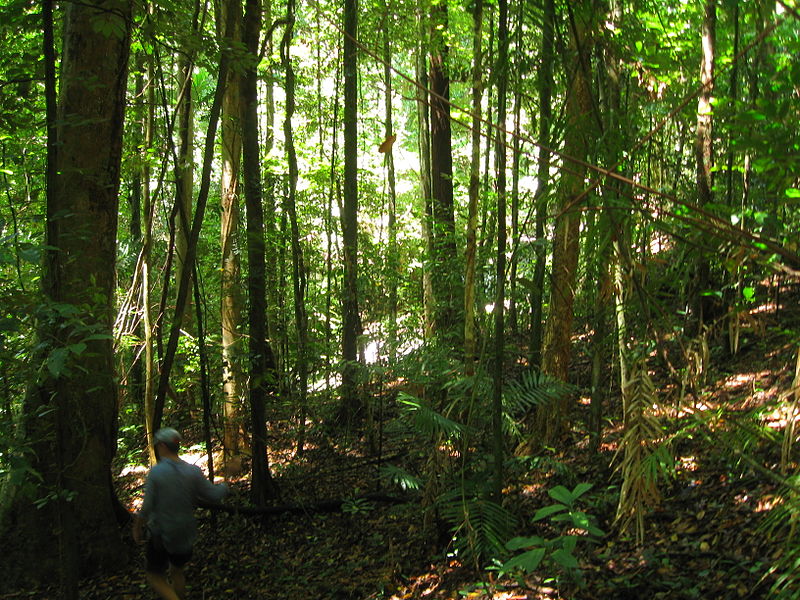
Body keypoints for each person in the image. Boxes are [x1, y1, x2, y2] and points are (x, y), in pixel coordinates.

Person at [133, 428, 228, 600]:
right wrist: (228, 477)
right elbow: (214, 495)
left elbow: (146, 507)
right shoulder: (193, 471)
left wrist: (137, 527)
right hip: (185, 532)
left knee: (154, 576)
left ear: (162, 446)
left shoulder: (157, 472)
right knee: (177, 571)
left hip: (161, 534)